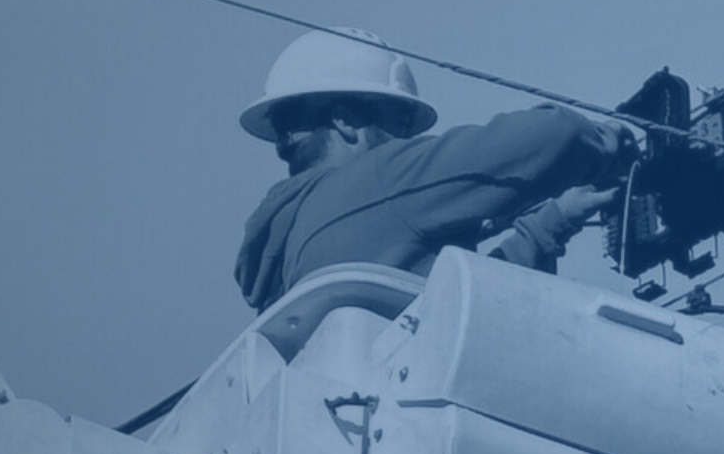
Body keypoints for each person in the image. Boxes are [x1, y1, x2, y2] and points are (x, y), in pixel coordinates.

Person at [233, 27, 633, 311]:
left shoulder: (287, 254)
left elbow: (453, 317)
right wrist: (612, 143)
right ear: (345, 121)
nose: (406, 141)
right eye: (402, 122)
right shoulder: (375, 182)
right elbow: (554, 135)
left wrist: (553, 222)